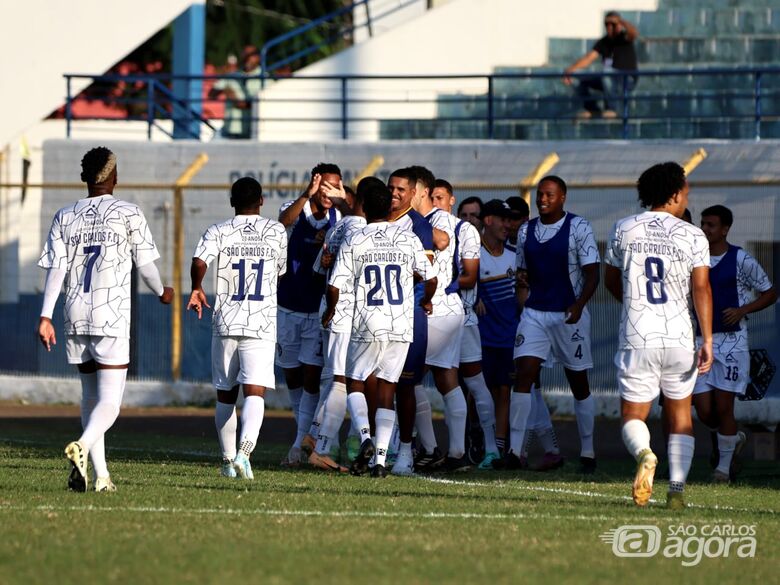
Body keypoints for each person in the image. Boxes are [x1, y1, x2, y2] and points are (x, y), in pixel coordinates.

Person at [37, 146, 173, 492]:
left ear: (85, 178)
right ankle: (81, 447)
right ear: (114, 176)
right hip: (110, 315)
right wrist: (161, 291)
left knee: (89, 397)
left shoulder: (64, 216)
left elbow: (57, 270)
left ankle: (101, 477)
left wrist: (45, 315)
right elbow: (145, 266)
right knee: (110, 401)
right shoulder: (128, 213)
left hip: (74, 314)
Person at [604, 161, 713, 510]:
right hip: (681, 337)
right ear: (675, 193)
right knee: (681, 415)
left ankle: (646, 454)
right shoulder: (693, 234)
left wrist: (634, 303)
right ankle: (677, 490)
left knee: (633, 415)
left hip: (639, 335)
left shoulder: (624, 228)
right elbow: (702, 289)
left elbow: (610, 280)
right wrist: (707, 340)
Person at [325, 179, 436, 477]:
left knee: (355, 381)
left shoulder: (356, 238)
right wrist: (426, 300)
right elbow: (431, 276)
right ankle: (381, 462)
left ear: (364, 207)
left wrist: (332, 309)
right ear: (389, 207)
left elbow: (334, 285)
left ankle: (365, 438)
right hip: (401, 322)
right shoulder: (407, 237)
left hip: (368, 321)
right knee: (389, 388)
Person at [187, 177, 287, 480]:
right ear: (261, 201)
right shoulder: (276, 231)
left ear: (232, 202)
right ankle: (245, 455)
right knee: (255, 393)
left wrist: (196, 287)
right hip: (261, 321)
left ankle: (229, 460)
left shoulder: (218, 230)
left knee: (225, 394)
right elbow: (279, 273)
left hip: (227, 319)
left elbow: (199, 260)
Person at [503, 176, 600, 474]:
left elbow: (593, 273)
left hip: (568, 314)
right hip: (535, 314)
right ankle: (514, 451)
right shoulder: (526, 231)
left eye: (549, 195)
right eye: (540, 195)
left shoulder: (579, 227)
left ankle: (588, 451)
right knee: (524, 375)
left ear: (563, 197)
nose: (542, 199)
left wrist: (579, 304)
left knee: (578, 383)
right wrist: (522, 286)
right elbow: (523, 272)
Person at [693, 205, 776, 483]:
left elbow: (770, 292)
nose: (705, 229)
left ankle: (723, 470)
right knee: (704, 410)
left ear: (725, 229)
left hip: (732, 343)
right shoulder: (694, 257)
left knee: (725, 406)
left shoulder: (741, 258)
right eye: (703, 223)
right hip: (699, 341)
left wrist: (744, 310)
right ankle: (733, 438)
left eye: (711, 225)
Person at [277, 163, 343, 466]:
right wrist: (307, 194)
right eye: (326, 186)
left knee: (312, 376)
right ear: (315, 185)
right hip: (288, 306)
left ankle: (300, 443)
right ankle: (302, 433)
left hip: (317, 311)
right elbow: (282, 222)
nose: (330, 192)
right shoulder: (295, 209)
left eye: (336, 185)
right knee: (292, 376)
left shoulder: (339, 218)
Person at [432, 181, 501, 469]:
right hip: (437, 315)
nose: (435, 201)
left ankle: (490, 447)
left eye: (439, 197)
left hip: (461, 316)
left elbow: (470, 277)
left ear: (450, 200)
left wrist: (437, 286)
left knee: (473, 381)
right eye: (431, 196)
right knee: (443, 383)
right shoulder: (426, 229)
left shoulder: (463, 232)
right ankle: (446, 448)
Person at [408, 167, 470, 473]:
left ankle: (430, 449)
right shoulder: (421, 220)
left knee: (409, 379)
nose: (401, 195)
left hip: (437, 309)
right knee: (447, 380)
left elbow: (442, 241)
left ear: (419, 191)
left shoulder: (438, 220)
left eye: (406, 190)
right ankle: (456, 452)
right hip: (441, 310)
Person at [308, 178, 371, 472]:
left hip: (331, 309)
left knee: (335, 378)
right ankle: (321, 447)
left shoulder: (338, 226)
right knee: (341, 381)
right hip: (345, 311)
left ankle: (315, 433)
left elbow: (319, 267)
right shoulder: (360, 229)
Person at [475, 200, 522, 463]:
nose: (508, 225)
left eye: (510, 220)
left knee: (504, 391)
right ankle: (479, 442)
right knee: (477, 392)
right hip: (479, 337)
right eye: (503, 219)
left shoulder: (515, 254)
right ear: (488, 220)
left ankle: (499, 449)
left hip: (508, 337)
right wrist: (473, 295)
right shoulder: (472, 252)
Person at [563, 11, 639, 119]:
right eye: (606, 24)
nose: (609, 27)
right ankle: (592, 108)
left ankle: (613, 109)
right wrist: (570, 71)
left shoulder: (624, 38)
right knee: (576, 76)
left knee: (606, 71)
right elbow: (589, 58)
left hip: (626, 78)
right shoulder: (603, 42)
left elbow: (633, 33)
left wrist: (620, 22)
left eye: (612, 24)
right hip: (607, 78)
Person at [209, 45, 262, 139]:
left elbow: (264, 104)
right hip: (229, 131)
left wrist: (240, 102)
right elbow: (211, 94)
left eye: (251, 55)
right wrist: (225, 90)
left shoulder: (266, 79)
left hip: (252, 134)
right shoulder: (231, 76)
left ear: (258, 58)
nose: (247, 58)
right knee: (211, 146)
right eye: (245, 55)